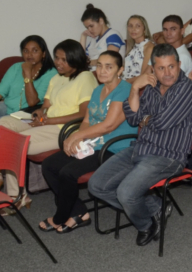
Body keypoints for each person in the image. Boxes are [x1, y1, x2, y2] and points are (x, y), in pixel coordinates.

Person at [87, 43, 192, 248]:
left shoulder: (187, 89)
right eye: (161, 68)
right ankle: (156, 206)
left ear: (179, 64)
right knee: (97, 186)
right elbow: (133, 118)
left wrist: (146, 119)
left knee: (126, 193)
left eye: (171, 67)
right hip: (140, 149)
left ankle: (144, 224)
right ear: (153, 69)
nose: (167, 73)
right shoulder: (151, 87)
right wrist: (134, 89)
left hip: (168, 156)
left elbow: (161, 123)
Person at [0, 40, 97, 199]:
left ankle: (15, 194)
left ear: (75, 59)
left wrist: (49, 121)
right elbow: (46, 105)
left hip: (65, 129)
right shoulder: (57, 78)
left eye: (63, 60)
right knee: (4, 123)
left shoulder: (85, 77)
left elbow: (83, 114)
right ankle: (4, 180)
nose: (58, 63)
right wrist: (40, 113)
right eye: (57, 58)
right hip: (46, 122)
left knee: (16, 142)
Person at [38, 51, 132, 233]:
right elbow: (87, 120)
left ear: (120, 70)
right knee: (49, 165)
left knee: (67, 173)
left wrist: (75, 137)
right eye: (99, 66)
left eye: (109, 66)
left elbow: (108, 126)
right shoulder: (98, 89)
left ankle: (61, 216)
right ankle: (78, 212)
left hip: (115, 148)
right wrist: (78, 140)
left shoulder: (124, 90)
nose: (102, 71)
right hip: (94, 143)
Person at [0, 36, 57, 175]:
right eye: (26, 51)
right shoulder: (16, 67)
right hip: (6, 107)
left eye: (35, 51)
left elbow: (33, 101)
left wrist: (27, 75)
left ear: (44, 53)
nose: (29, 55)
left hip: (28, 115)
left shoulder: (51, 73)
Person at [122, 15, 154, 80]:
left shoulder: (149, 47)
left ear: (144, 29)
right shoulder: (131, 47)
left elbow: (144, 75)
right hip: (125, 83)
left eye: (138, 26)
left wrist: (124, 84)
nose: (133, 29)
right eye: (130, 26)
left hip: (137, 86)